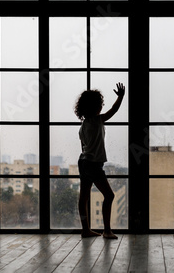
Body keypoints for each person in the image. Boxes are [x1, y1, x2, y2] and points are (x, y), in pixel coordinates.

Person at [74, 83, 125, 239]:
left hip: (83, 162)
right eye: (101, 104)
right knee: (109, 196)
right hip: (94, 164)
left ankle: (85, 229)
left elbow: (83, 147)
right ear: (96, 106)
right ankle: (107, 230)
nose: (102, 107)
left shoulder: (83, 126)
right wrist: (120, 97)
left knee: (84, 197)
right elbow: (114, 110)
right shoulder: (98, 120)